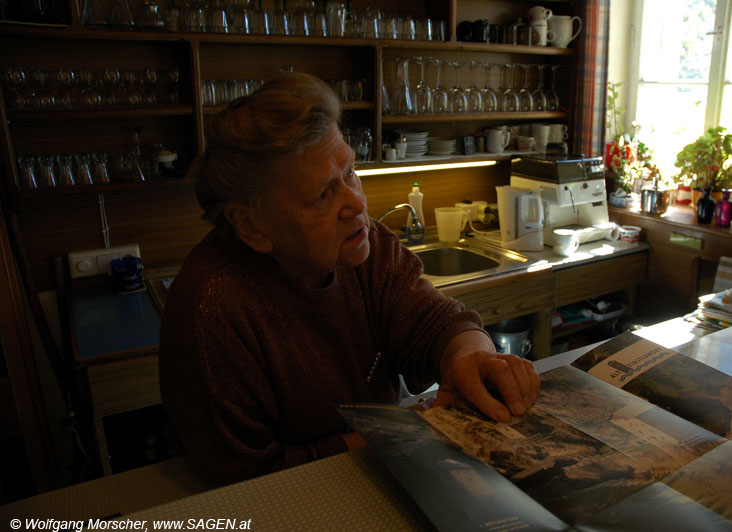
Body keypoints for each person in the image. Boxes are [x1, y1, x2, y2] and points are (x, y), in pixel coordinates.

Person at [159, 72, 540, 483]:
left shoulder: (365, 241)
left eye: (351, 172)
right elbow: (249, 478)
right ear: (251, 225)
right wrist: (392, 434)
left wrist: (472, 357)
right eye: (323, 194)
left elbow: (437, 321)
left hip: (382, 474)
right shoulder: (212, 310)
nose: (357, 202)